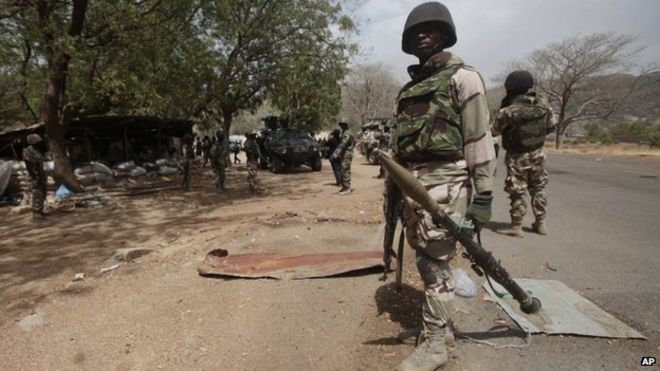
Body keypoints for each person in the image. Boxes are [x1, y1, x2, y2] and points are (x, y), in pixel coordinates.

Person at [389, 3, 496, 370]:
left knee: (435, 264)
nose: (422, 34)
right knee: (425, 258)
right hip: (413, 187)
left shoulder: (463, 78)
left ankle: (435, 345)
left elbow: (479, 139)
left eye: (431, 28)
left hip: (448, 185)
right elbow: (399, 149)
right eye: (415, 31)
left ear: (444, 34)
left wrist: (483, 195)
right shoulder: (408, 90)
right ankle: (441, 329)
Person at [492, 70, 557, 237]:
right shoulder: (543, 105)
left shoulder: (509, 111)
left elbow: (494, 131)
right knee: (539, 187)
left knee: (517, 190)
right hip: (539, 153)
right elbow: (551, 126)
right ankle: (541, 223)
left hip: (517, 156)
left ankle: (516, 227)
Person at [23, 133, 49, 218]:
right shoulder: (28, 151)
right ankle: (36, 212)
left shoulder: (37, 150)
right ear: (34, 142)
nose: (40, 143)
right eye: (38, 142)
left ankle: (40, 210)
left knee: (42, 192)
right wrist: (34, 176)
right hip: (35, 175)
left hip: (40, 174)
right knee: (37, 193)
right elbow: (28, 164)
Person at [330, 118, 355, 195]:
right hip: (346, 153)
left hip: (346, 153)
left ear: (346, 125)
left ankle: (347, 188)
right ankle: (345, 187)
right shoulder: (346, 132)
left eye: (343, 124)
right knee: (344, 169)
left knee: (344, 169)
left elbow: (342, 144)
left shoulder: (347, 133)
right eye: (341, 124)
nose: (341, 126)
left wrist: (335, 154)